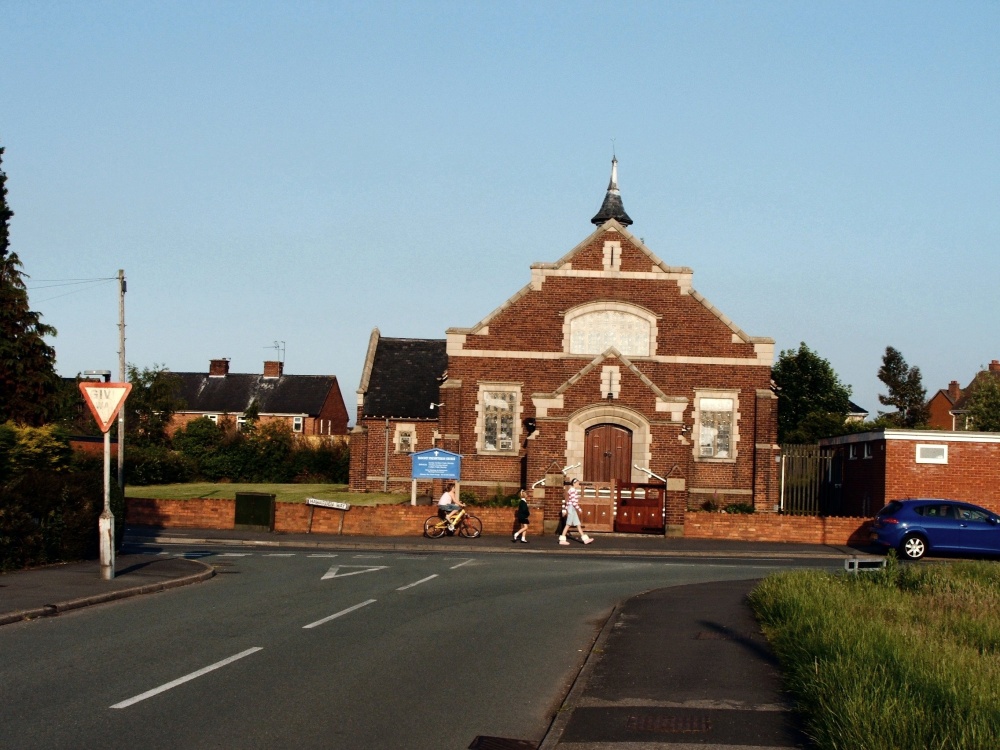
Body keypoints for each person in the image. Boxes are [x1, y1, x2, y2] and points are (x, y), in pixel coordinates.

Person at [560, 478, 593, 545]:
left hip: (572, 508)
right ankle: (562, 540)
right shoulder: (572, 490)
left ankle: (585, 539)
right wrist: (579, 509)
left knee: (578, 524)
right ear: (574, 483)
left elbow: (569, 501)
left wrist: (567, 509)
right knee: (568, 524)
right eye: (577, 483)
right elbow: (573, 502)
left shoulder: (573, 490)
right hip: (572, 508)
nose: (578, 484)